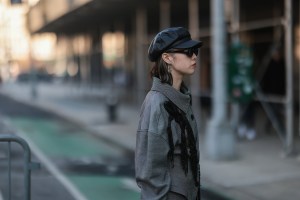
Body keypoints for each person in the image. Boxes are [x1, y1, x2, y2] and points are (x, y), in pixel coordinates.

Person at [135, 27, 203, 200]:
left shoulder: (181, 98)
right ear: (167, 57)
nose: (194, 56)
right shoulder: (157, 103)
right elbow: (150, 175)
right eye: (188, 51)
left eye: (194, 51)